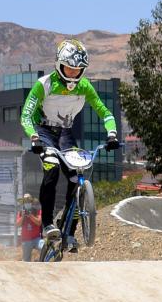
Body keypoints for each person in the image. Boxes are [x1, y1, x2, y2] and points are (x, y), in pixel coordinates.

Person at [21, 39, 120, 252]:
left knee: (77, 177)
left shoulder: (85, 86)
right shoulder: (44, 84)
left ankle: (68, 232)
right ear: (59, 64)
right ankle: (47, 224)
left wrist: (112, 134)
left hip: (65, 133)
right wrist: (34, 138)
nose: (74, 73)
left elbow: (105, 112)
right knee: (52, 167)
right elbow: (26, 115)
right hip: (43, 131)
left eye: (78, 70)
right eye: (69, 68)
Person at [16, 194, 42, 262]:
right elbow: (18, 224)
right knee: (26, 260)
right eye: (25, 202)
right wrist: (23, 216)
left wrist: (30, 215)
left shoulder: (37, 211)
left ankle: (40, 261)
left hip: (37, 238)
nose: (27, 203)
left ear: (31, 202)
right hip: (26, 240)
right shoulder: (21, 213)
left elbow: (39, 222)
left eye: (28, 201)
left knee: (43, 247)